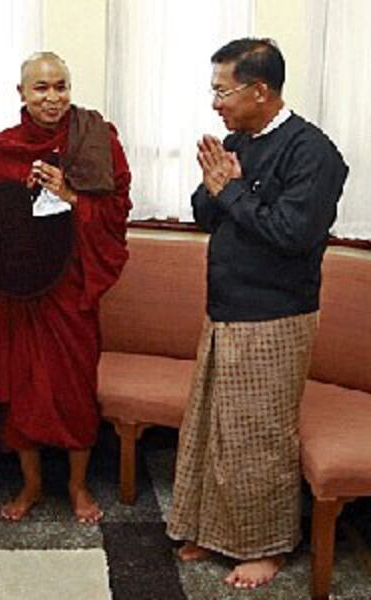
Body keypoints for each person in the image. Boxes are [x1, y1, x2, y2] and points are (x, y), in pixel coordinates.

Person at [167, 38, 348, 589]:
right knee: (217, 428)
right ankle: (213, 529)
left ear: (260, 91)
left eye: (223, 92)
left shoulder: (312, 152)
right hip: (226, 309)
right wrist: (217, 183)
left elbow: (292, 235)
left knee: (259, 436)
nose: (216, 103)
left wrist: (234, 188)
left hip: (276, 315)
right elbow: (207, 215)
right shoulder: (235, 140)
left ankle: (267, 546)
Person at [0, 52, 132, 524]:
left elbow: (116, 210)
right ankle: (32, 484)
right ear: (20, 93)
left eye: (61, 86)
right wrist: (17, 197)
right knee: (24, 389)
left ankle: (78, 485)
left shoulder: (96, 139)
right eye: (41, 88)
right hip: (21, 291)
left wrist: (71, 196)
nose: (53, 97)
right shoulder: (3, 147)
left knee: (73, 388)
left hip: (70, 287)